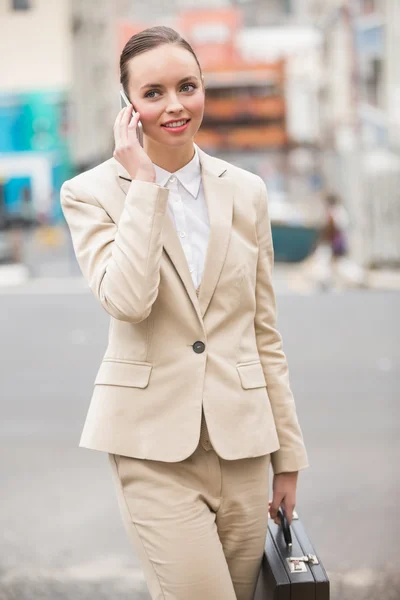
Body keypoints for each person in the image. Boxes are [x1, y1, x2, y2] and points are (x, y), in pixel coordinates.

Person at [60, 26, 309, 600]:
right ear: (129, 107)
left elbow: (263, 331)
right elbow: (126, 299)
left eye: (187, 86)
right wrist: (145, 186)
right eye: (153, 93)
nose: (175, 105)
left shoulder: (246, 191)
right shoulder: (90, 192)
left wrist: (288, 458)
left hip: (244, 445)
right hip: (152, 449)